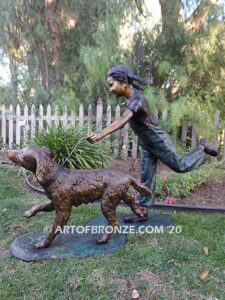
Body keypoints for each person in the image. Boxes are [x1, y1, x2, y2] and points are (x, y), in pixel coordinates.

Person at [87, 65, 218, 223]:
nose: (110, 89)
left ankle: (202, 148)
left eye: (111, 84)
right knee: (146, 176)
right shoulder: (131, 99)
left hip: (157, 139)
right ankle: (142, 211)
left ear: (124, 82)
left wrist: (101, 133)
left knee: (180, 166)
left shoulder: (136, 100)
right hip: (148, 143)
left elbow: (122, 121)